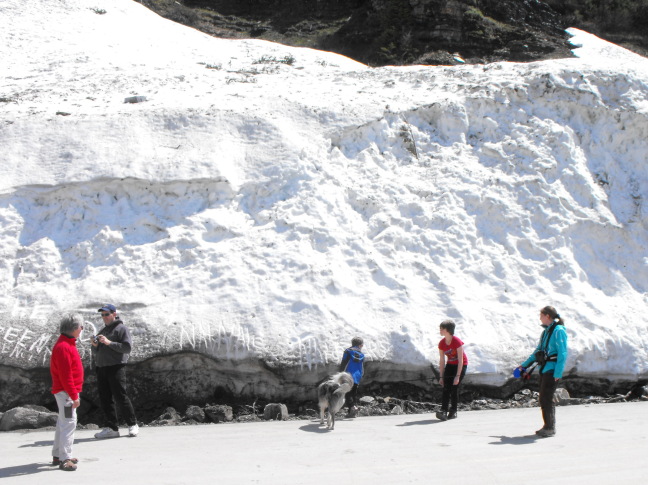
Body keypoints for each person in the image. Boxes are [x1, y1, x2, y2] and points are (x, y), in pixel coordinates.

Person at [516, 305, 568, 437]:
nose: (540, 318)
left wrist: (558, 373)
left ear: (547, 316)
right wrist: (523, 366)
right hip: (545, 368)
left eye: (541, 316)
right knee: (544, 397)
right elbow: (537, 352)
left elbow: (562, 353)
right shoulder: (545, 332)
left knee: (546, 398)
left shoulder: (558, 330)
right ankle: (548, 426)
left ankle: (550, 427)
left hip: (552, 370)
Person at [91, 303, 139, 438]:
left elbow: (127, 348)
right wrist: (95, 346)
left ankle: (132, 424)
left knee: (120, 396)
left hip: (116, 366)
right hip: (102, 367)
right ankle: (112, 428)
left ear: (114, 314)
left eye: (107, 314)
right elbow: (96, 351)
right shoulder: (102, 331)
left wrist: (109, 342)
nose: (104, 317)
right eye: (102, 315)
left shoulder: (121, 329)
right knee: (105, 398)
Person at [50, 313, 85, 471]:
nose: (82, 329)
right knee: (69, 423)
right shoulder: (64, 347)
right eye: (80, 326)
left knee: (63, 422)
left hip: (66, 392)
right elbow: (66, 375)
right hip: (66, 393)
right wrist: (74, 395)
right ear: (73, 328)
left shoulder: (66, 343)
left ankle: (58, 454)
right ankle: (65, 458)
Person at [436, 320, 468, 421]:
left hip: (460, 365)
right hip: (450, 365)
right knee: (446, 388)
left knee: (454, 388)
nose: (440, 330)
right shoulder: (441, 343)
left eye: (442, 328)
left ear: (448, 330)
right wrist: (441, 376)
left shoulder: (457, 341)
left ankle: (453, 410)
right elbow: (442, 361)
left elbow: (461, 360)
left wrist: (457, 376)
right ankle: (443, 411)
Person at [339, 337, 365, 417]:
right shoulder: (361, 354)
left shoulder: (348, 351)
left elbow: (344, 362)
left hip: (348, 375)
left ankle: (352, 407)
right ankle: (353, 411)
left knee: (347, 393)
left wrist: (340, 373)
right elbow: (362, 367)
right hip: (357, 376)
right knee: (353, 393)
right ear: (360, 345)